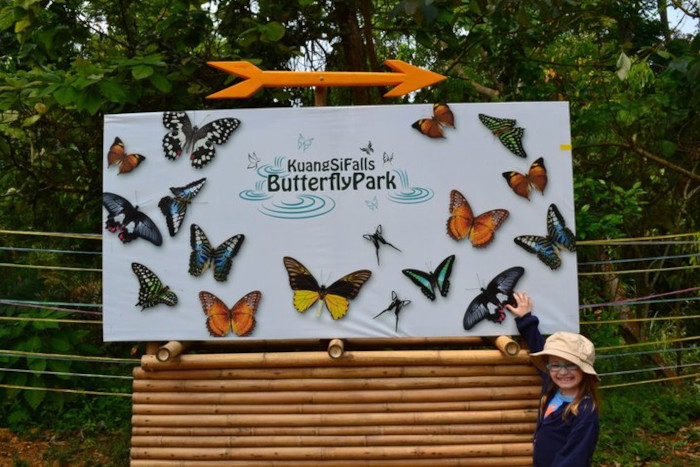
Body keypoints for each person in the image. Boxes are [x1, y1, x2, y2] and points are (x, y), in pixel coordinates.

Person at [505, 291, 601, 467]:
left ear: (584, 370)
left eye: (571, 365)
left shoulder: (585, 412)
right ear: (549, 367)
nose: (563, 372)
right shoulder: (552, 387)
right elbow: (539, 346)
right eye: (556, 365)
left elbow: (574, 459)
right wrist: (526, 319)